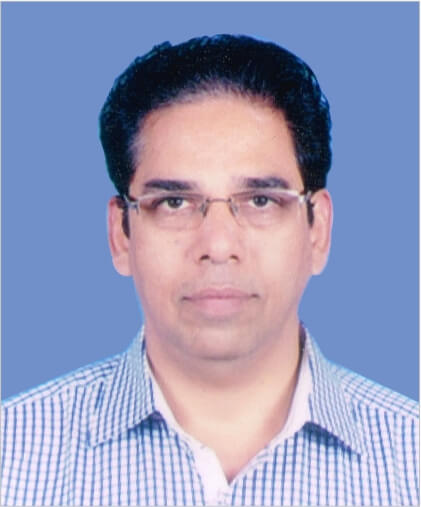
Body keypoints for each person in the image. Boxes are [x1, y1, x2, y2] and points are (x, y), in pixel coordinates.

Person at [1, 34, 418, 506]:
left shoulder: (410, 462)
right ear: (121, 234)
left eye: (261, 201)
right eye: (174, 202)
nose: (218, 247)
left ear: (317, 230)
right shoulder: (12, 459)